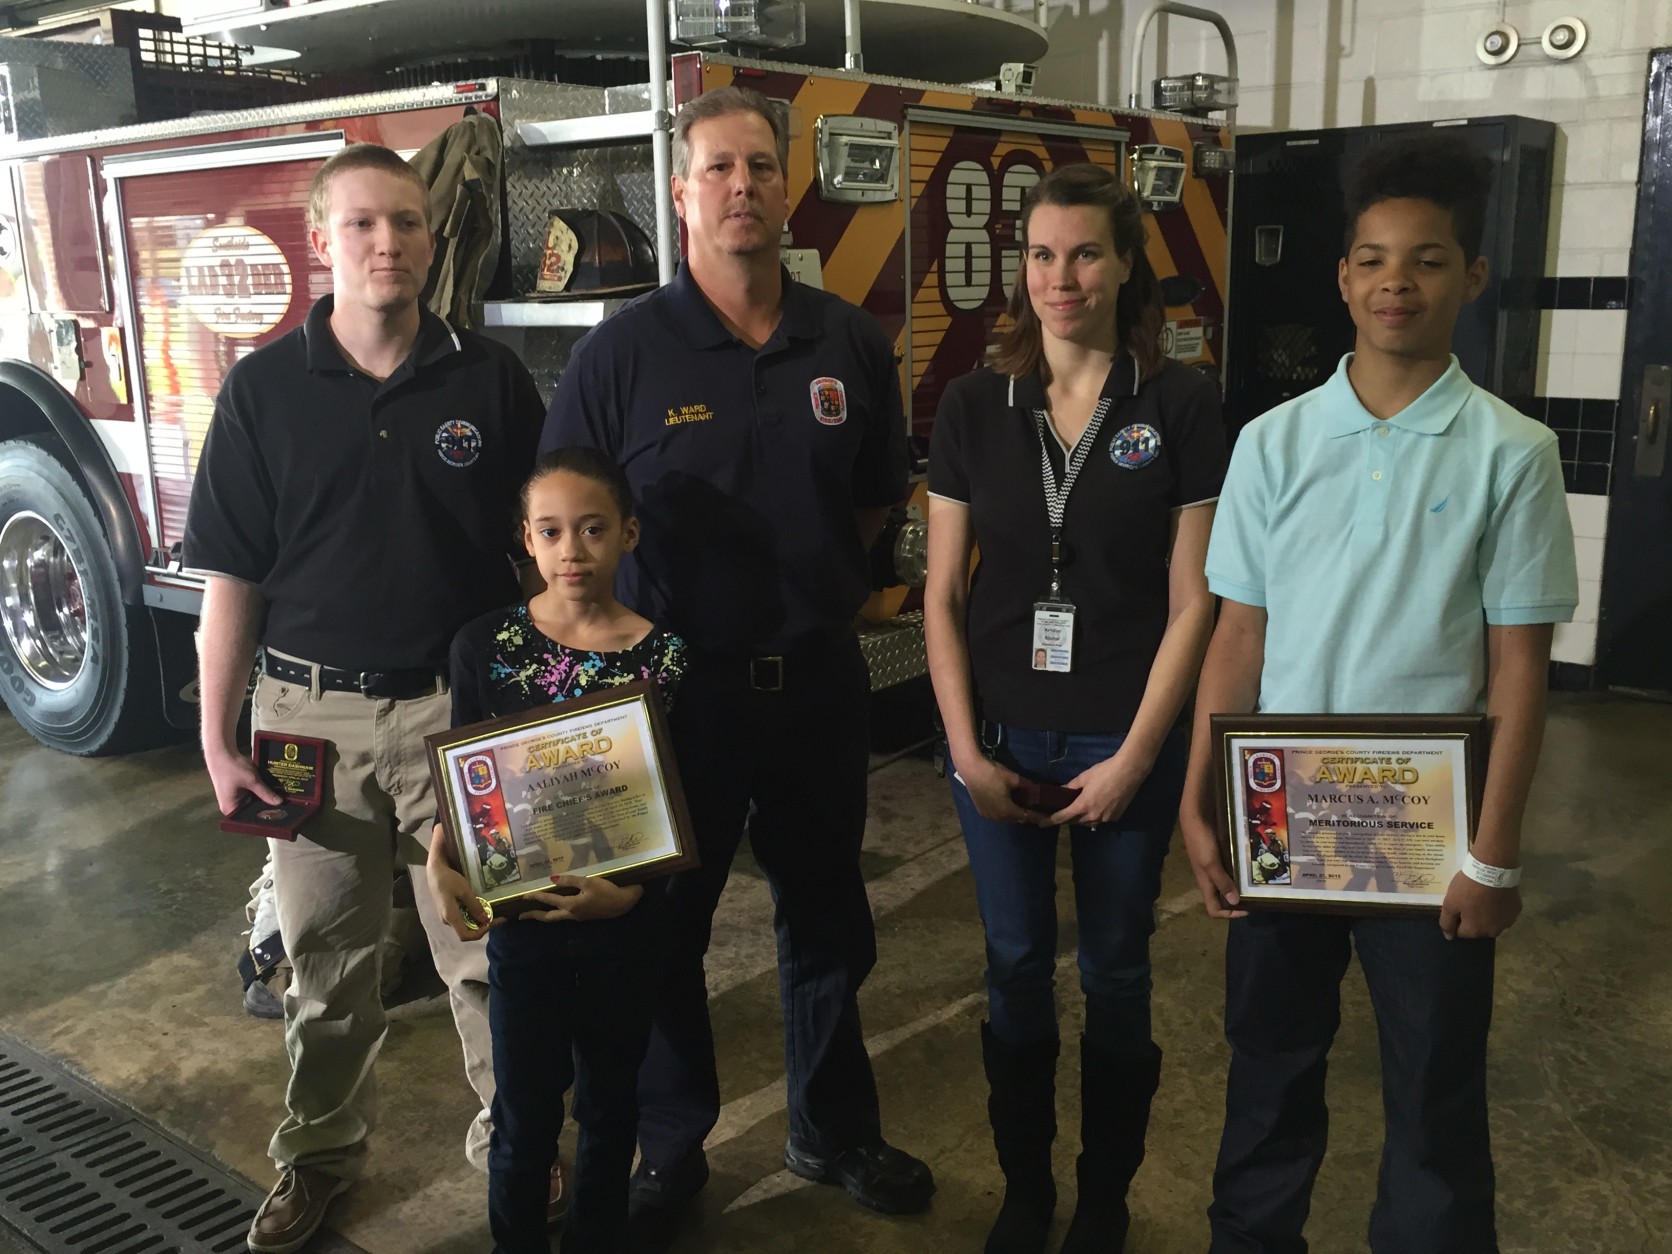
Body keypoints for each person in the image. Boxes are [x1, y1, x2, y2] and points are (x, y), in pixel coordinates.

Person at [539, 84, 932, 1248]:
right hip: (672, 701)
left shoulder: (847, 339)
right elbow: (561, 524)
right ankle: (674, 1148)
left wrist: (803, 599)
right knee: (665, 926)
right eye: (717, 169)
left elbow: (872, 505)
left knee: (828, 920)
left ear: (784, 185)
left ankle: (830, 1127)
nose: (741, 188)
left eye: (760, 167)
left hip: (813, 687)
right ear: (680, 190)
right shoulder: (621, 355)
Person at [1177, 135, 1579, 1253]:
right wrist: (1201, 800)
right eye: (1372, 260)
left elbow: (1516, 670)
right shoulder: (1271, 443)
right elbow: (1237, 637)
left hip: (1426, 834)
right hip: (1282, 819)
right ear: (1343, 278)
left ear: (1472, 278)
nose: (1396, 282)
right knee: (1266, 1074)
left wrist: (1491, 856)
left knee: (1434, 1094)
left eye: (1428, 260)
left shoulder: (1511, 453)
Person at [182, 142, 547, 1253]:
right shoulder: (261, 390)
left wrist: (552, 709)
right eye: (362, 225)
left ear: (433, 241)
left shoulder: (489, 382)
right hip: (307, 724)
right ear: (321, 243)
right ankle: (319, 1158)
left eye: (407, 222)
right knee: (328, 968)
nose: (387, 242)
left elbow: (541, 565)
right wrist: (217, 740)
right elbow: (232, 583)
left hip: (461, 714)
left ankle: (518, 1143)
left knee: (490, 950)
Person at [923, 162, 1226, 1254]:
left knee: (1115, 969)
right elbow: (942, 596)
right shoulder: (972, 403)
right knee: (1012, 965)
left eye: (1085, 253)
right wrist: (962, 750)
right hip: (999, 738)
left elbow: (1194, 602)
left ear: (1126, 261)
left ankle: (1102, 1201)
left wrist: (1140, 758)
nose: (1061, 276)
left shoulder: (1179, 403)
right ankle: (1023, 1191)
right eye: (1042, 254)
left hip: (1118, 740)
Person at [426, 449, 687, 1254]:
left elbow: (681, 799)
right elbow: (466, 777)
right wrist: (443, 858)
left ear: (628, 535)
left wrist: (634, 893)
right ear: (527, 544)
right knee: (525, 1115)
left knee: (610, 1109)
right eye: (551, 531)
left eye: (593, 529)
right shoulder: (484, 645)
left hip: (622, 930)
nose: (572, 549)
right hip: (524, 930)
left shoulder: (664, 657)